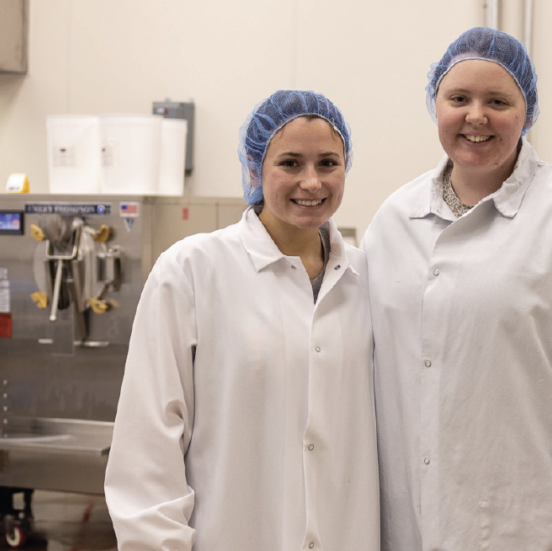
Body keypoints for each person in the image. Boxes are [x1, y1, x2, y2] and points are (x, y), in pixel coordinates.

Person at [362, 27, 552, 551]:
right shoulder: (394, 219)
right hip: (403, 525)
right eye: (458, 98)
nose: (475, 116)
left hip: (529, 528)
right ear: (435, 104)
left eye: (497, 101)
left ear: (527, 112)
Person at [105, 90, 379, 551]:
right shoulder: (192, 270)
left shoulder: (369, 278)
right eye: (290, 163)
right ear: (255, 169)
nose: (311, 182)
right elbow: (148, 441)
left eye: (328, 163)